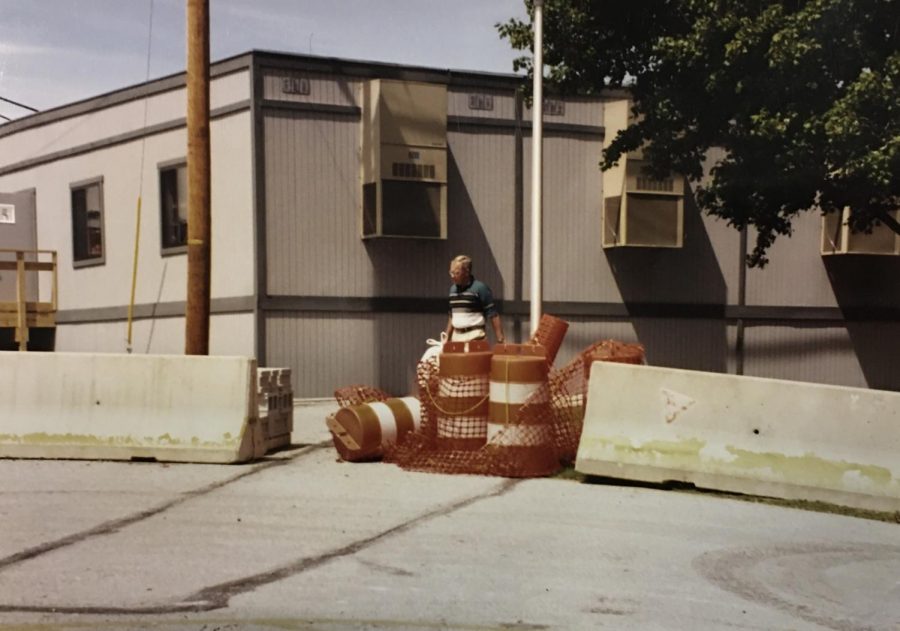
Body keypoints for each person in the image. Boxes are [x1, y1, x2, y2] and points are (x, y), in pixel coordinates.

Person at [444, 254, 505, 344]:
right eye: (451, 272)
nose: (452, 276)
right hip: (456, 337)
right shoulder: (452, 290)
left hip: (475, 336)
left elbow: (493, 315)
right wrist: (446, 338)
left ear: (467, 272)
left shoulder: (480, 288)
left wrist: (500, 339)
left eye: (456, 273)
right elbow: (451, 316)